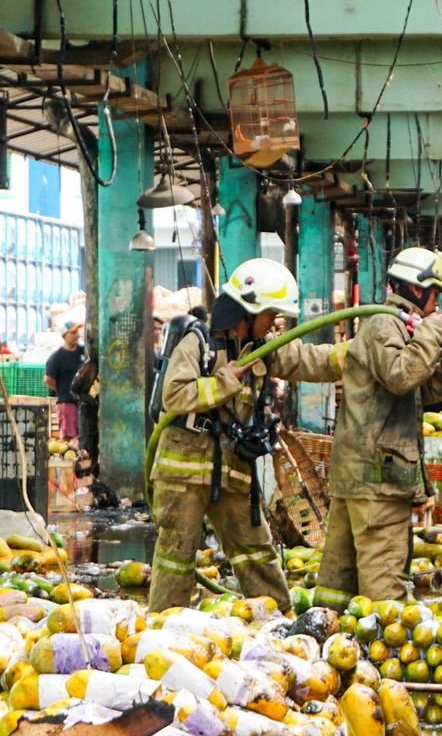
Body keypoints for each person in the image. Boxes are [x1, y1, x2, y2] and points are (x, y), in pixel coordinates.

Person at [148, 258, 345, 614]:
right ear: (249, 312)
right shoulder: (198, 342)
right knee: (176, 557)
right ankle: (163, 629)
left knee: (256, 549)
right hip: (184, 469)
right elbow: (174, 396)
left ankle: (280, 621)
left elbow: (308, 360)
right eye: (271, 315)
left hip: (232, 466)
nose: (276, 324)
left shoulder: (260, 346)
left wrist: (354, 356)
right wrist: (227, 380)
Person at [314, 246, 442, 609]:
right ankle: (377, 660)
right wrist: (431, 334)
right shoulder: (385, 324)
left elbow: (420, 390)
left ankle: (325, 637)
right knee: (385, 587)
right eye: (437, 296)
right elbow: (402, 376)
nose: (438, 307)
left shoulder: (398, 327)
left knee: (339, 581)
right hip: (378, 481)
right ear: (418, 289)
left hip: (365, 474)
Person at [44, 321, 85, 441]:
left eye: (77, 331)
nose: (76, 335)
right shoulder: (57, 357)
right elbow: (48, 378)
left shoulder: (83, 351)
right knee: (69, 437)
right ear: (64, 336)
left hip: (82, 401)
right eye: (72, 332)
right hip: (67, 402)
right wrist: (61, 390)